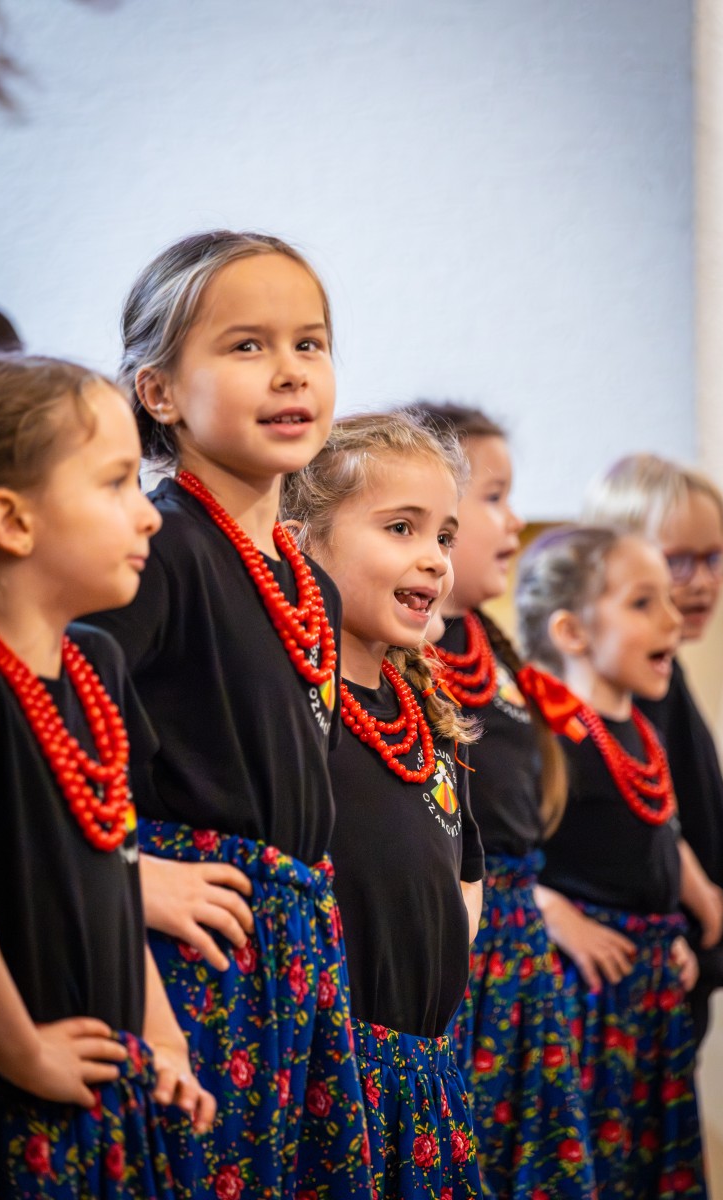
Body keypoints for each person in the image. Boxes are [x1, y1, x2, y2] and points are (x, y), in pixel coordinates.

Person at [88, 231, 372, 1199]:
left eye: (309, 342)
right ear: (159, 392)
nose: (290, 370)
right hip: (196, 952)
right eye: (247, 345)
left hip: (292, 952)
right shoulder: (155, 550)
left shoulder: (307, 581)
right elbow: (45, 750)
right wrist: (132, 880)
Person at [0, 348, 214, 1199]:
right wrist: (20, 1048)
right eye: (115, 484)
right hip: (14, 1096)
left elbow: (118, 865)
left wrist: (164, 1037)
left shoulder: (96, 664)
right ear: (13, 521)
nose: (148, 515)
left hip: (110, 1084)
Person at [283, 411, 485, 1199]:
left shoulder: (425, 714)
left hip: (423, 1072)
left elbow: (466, 868)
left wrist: (440, 947)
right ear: (301, 544)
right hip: (330, 1078)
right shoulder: (293, 705)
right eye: (402, 528)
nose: (434, 558)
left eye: (444, 536)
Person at [405, 403, 595, 1199]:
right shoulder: (404, 650)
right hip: (462, 946)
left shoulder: (494, 649)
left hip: (519, 947)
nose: (515, 519)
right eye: (494, 497)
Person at [516, 525, 709, 1199]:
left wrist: (674, 926)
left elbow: (645, 849)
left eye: (668, 600)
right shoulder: (547, 738)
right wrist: (556, 914)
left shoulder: (642, 732)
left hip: (649, 987)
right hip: (588, 995)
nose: (672, 619)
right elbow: (498, 857)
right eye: (642, 603)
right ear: (571, 631)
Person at [583, 452, 723, 1047]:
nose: (702, 581)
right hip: (636, 957)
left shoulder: (666, 673)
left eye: (715, 558)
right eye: (678, 561)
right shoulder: (611, 689)